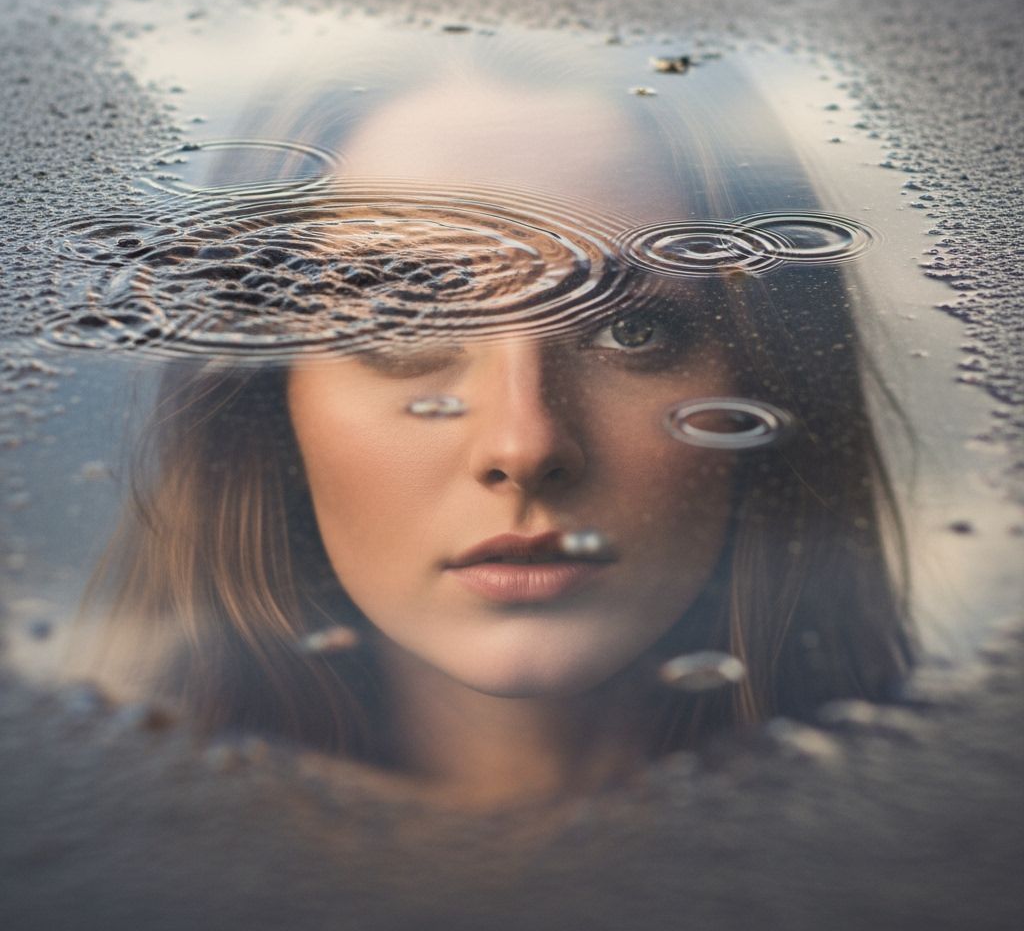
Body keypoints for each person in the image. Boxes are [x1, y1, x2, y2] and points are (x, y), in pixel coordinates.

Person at [78, 42, 913, 807]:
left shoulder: (951, 848)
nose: (525, 443)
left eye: (633, 331)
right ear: (269, 402)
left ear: (772, 376)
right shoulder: (87, 857)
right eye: (404, 324)